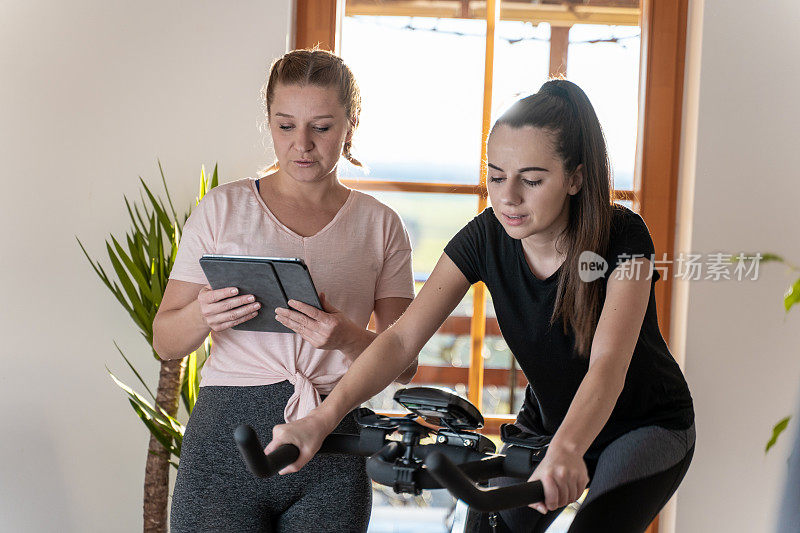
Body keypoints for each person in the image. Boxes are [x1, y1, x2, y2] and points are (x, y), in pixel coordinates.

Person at [265, 79, 696, 533]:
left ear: (576, 178)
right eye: (495, 176)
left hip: (643, 423)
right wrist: (320, 420)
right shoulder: (485, 236)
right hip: (548, 424)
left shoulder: (624, 237)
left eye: (531, 180)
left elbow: (607, 365)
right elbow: (400, 339)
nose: (508, 196)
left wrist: (567, 450)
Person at [152, 49, 416, 532]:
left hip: (334, 442)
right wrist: (203, 316)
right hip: (224, 442)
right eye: (285, 125)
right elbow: (165, 341)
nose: (303, 144)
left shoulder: (381, 225)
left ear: (350, 124)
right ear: (269, 123)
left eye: (322, 126)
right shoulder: (221, 209)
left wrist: (345, 338)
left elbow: (405, 362)